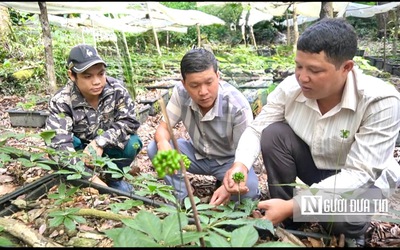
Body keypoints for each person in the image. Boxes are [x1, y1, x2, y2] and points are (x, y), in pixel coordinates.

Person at [221, 18, 400, 246]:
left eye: (315, 70)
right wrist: (240, 165)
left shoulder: (380, 101)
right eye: (298, 66)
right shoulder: (290, 88)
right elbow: (257, 130)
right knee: (273, 134)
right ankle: (285, 217)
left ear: (346, 68)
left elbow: (360, 173)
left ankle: (347, 231)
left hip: (367, 182)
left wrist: (296, 205)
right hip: (317, 165)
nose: (302, 77)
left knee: (342, 220)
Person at [147, 47, 259, 205]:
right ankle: (181, 196)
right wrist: (163, 143)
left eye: (209, 82)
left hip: (229, 160)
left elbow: (246, 151)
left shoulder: (237, 106)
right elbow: (163, 128)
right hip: (197, 155)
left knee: (249, 189)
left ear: (218, 77)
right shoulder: (180, 93)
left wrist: (231, 181)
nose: (203, 92)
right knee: (154, 148)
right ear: (184, 84)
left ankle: (224, 184)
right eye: (194, 85)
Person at [45, 44, 143, 193]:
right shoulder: (62, 101)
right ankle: (80, 181)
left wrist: (100, 142)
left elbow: (130, 122)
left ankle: (114, 179)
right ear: (72, 75)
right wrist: (90, 179)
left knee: (132, 143)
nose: (97, 81)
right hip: (79, 153)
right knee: (66, 146)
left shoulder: (116, 89)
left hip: (107, 147)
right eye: (87, 76)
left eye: (101, 74)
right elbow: (59, 146)